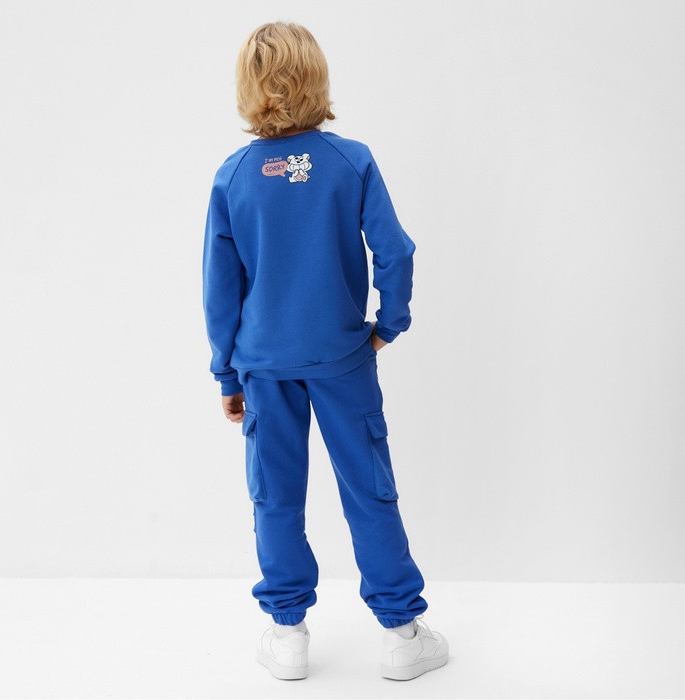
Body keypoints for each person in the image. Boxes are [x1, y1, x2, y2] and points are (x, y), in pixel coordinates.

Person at [202, 20, 448, 681]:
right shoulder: (350, 161)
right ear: (317, 77)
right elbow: (395, 252)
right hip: (344, 361)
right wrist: (387, 325)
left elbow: (220, 290)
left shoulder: (234, 177)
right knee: (369, 492)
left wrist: (227, 374)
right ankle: (402, 634)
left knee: (275, 498)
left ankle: (287, 635)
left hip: (264, 369)